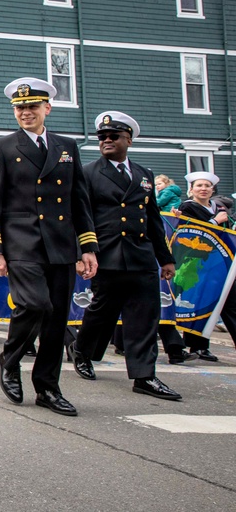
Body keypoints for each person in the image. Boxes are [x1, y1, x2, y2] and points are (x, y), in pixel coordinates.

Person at [0, 77, 98, 417]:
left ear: (47, 108)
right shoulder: (1, 147)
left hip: (61, 244)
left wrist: (87, 247)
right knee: (36, 304)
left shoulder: (66, 146)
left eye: (32, 106)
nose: (25, 112)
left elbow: (79, 200)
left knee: (56, 319)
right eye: (20, 108)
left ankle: (48, 387)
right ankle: (10, 357)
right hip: (21, 242)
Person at [69, 112, 181, 400]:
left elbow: (153, 218)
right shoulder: (89, 172)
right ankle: (82, 350)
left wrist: (165, 257)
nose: (107, 140)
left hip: (140, 255)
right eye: (102, 137)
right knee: (102, 312)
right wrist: (84, 252)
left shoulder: (144, 174)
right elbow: (82, 216)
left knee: (144, 316)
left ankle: (144, 376)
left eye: (113, 136)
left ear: (128, 140)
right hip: (106, 255)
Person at [177, 171, 235, 360]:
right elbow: (188, 233)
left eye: (207, 186)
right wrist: (214, 222)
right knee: (199, 301)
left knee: (224, 301)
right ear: (191, 189)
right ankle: (196, 345)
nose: (203, 189)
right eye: (199, 186)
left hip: (218, 263)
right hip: (196, 261)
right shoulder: (187, 207)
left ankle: (201, 345)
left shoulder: (218, 208)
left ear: (212, 190)